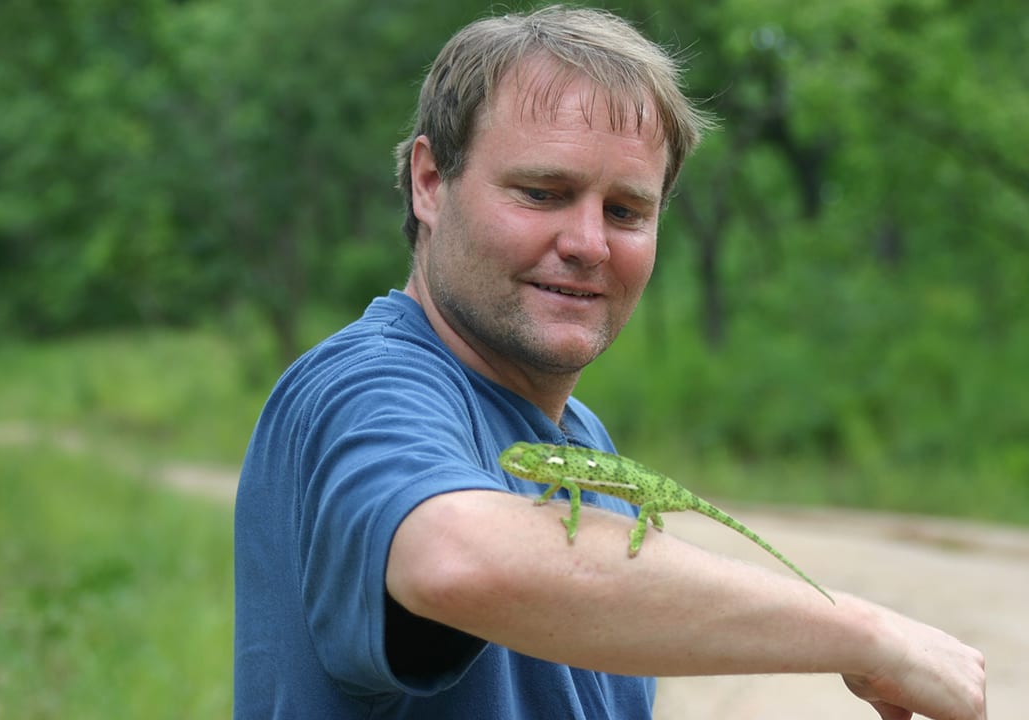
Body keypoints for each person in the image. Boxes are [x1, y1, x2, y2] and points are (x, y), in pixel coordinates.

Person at [234, 6, 986, 719]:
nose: (589, 243)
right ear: (431, 183)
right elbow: (452, 558)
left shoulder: (583, 437)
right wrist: (856, 632)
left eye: (626, 211)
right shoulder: (367, 385)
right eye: (541, 192)